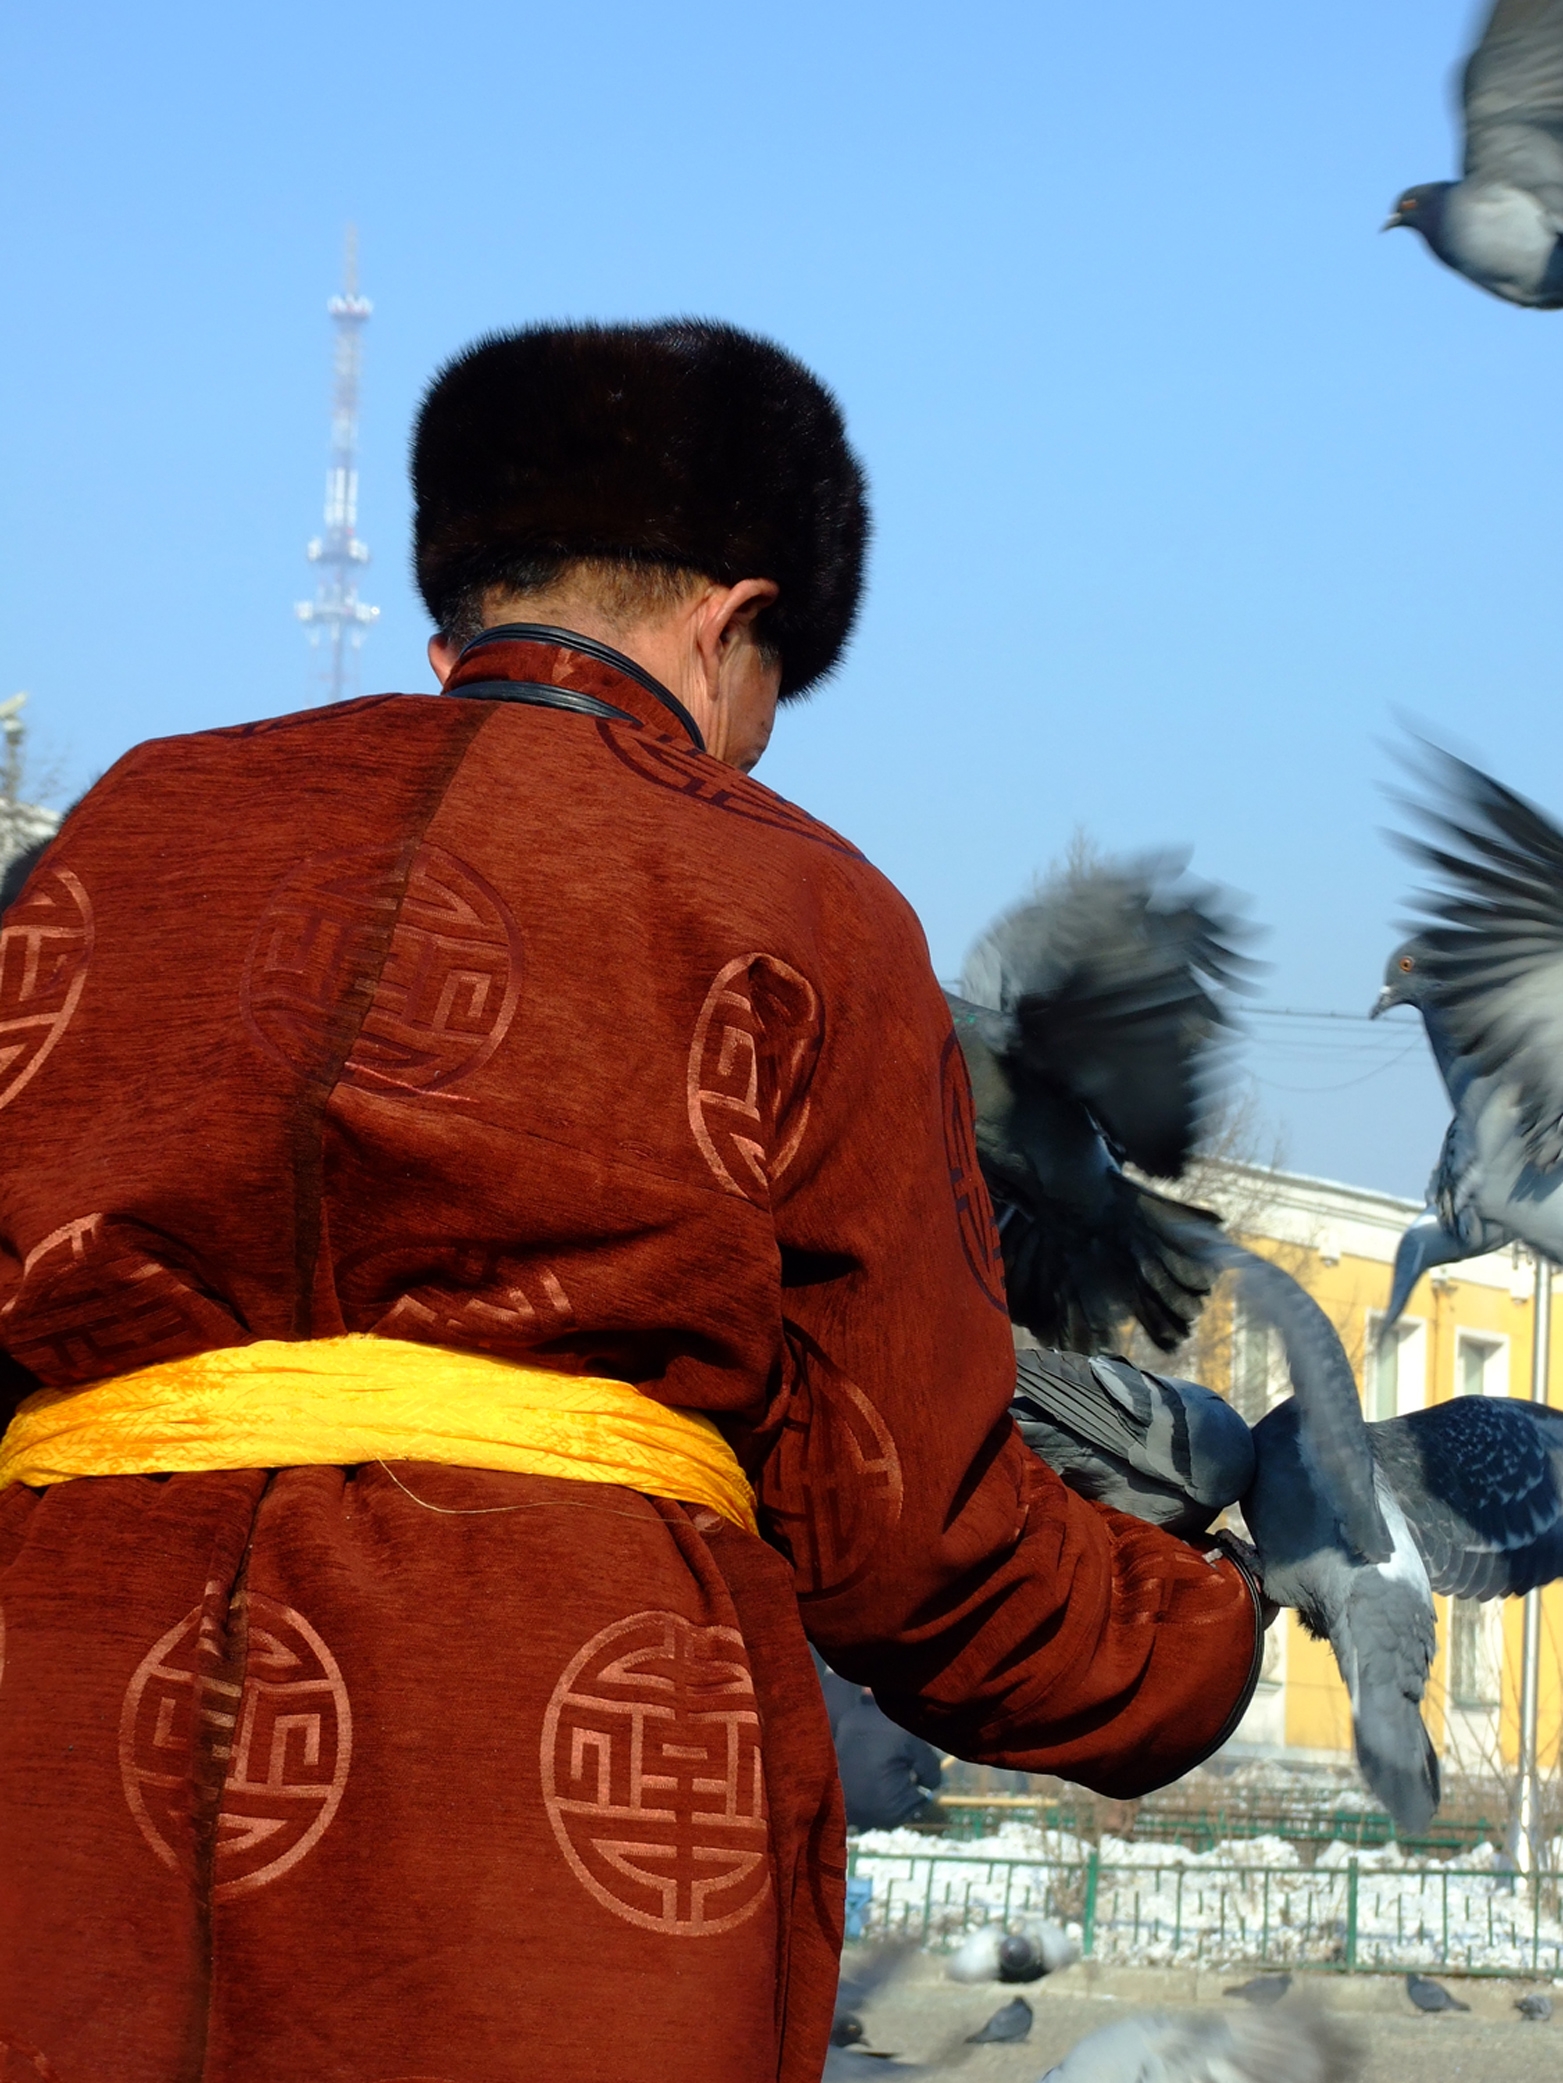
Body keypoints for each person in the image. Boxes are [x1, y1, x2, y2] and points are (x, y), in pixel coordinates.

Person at [0, 320, 1262, 2083]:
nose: (746, 744)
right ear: (735, 619)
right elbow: (909, 1524)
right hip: (533, 1775)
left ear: (463, 608)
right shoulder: (785, 894)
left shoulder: (136, 827)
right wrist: (1197, 1629)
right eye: (767, 694)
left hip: (59, 1752)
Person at [816, 1657, 944, 1831]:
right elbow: (932, 1777)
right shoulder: (903, 1724)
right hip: (895, 1814)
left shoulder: (847, 1721)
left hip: (849, 1812)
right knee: (939, 1818)